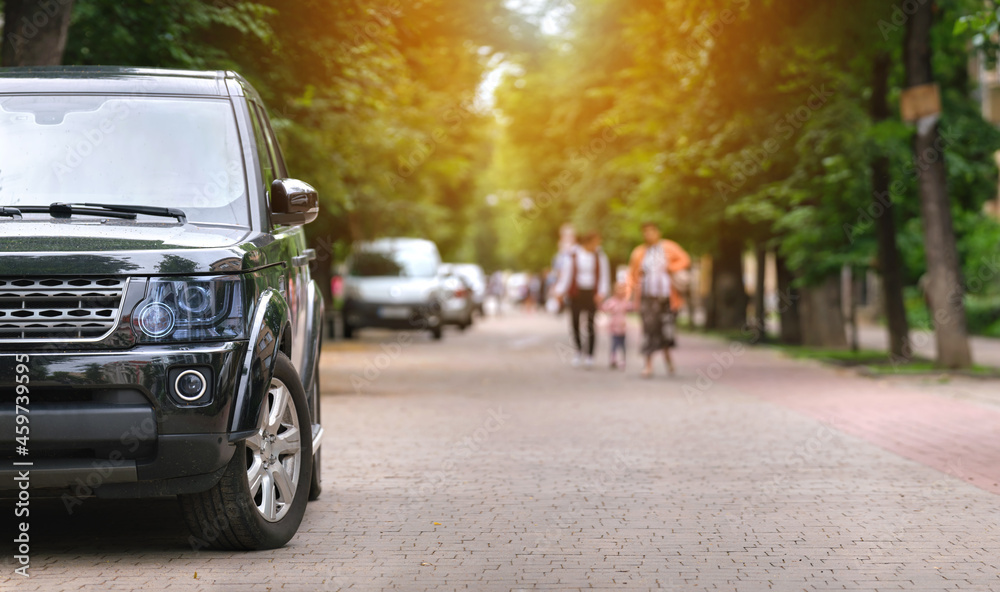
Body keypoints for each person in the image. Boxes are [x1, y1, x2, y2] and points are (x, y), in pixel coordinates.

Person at [627, 222, 691, 378]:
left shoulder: (669, 247)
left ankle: (668, 360)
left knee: (666, 331)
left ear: (658, 233)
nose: (648, 235)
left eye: (651, 232)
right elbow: (632, 275)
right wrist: (629, 293)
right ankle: (648, 365)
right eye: (645, 232)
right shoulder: (639, 252)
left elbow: (685, 260)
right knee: (649, 330)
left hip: (667, 298)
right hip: (648, 297)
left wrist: (671, 267)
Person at [552, 232, 611, 368]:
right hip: (576, 293)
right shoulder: (573, 255)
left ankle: (590, 354)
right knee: (575, 322)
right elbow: (567, 274)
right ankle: (578, 350)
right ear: (588, 242)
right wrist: (560, 291)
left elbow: (604, 275)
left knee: (590, 324)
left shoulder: (600, 256)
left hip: (591, 293)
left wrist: (602, 292)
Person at [600, 281, 633, 370]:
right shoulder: (612, 301)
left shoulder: (625, 302)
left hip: (623, 327)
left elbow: (632, 307)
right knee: (614, 344)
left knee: (623, 345)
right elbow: (604, 307)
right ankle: (613, 358)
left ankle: (622, 359)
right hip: (614, 327)